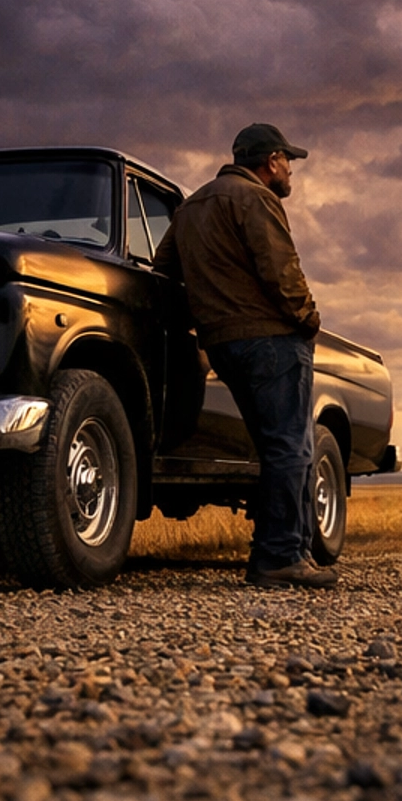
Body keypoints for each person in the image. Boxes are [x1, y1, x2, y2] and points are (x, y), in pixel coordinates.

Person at [153, 123, 337, 589]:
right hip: (271, 339)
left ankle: (288, 553)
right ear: (271, 160)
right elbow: (281, 270)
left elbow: (164, 270)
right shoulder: (257, 199)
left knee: (277, 449)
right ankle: (279, 558)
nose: (291, 171)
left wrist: (204, 320)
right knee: (291, 448)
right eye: (288, 161)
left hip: (222, 344)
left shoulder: (191, 206)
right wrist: (308, 320)